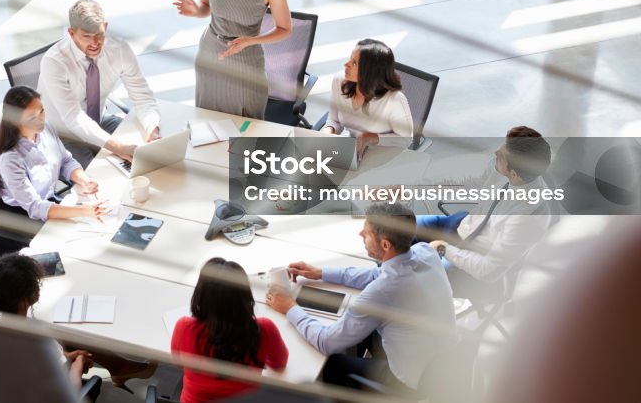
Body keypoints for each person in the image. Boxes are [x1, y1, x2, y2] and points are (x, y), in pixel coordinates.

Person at [266, 203, 455, 393]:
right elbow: (378, 275)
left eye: (367, 233)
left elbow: (326, 342)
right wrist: (320, 272)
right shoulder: (425, 252)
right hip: (443, 360)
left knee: (332, 364)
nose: (360, 234)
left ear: (385, 244)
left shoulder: (383, 291)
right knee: (359, 335)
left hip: (413, 381)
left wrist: (290, 307)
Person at [0, 253, 157, 393]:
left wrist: (66, 356)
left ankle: (119, 367)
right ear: (28, 298)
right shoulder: (39, 343)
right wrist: (78, 364)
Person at [417, 126, 553, 302]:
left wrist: (444, 249)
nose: (496, 152)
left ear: (513, 173)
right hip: (461, 225)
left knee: (408, 275)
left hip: (472, 262)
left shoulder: (529, 216)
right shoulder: (500, 169)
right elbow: (470, 185)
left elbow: (489, 271)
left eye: (502, 155)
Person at [0, 85, 108, 258]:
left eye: (42, 111)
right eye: (32, 117)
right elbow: (35, 207)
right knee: (77, 246)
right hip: (22, 220)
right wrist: (85, 211)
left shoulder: (45, 129)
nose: (40, 120)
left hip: (47, 203)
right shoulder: (10, 158)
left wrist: (83, 179)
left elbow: (66, 161)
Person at [39, 0, 160, 168]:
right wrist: (118, 147)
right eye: (86, 37)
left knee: (148, 156)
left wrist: (152, 128)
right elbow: (73, 118)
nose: (94, 43)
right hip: (62, 135)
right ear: (72, 34)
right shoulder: (55, 62)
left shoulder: (120, 50)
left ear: (106, 26)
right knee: (102, 174)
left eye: (99, 34)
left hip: (99, 121)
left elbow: (143, 97)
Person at [171, 258, 288, 403]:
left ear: (201, 295)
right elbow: (279, 363)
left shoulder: (184, 327)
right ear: (245, 296)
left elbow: (179, 364)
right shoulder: (263, 329)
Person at [322, 38, 413, 157]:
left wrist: (372, 137)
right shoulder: (340, 81)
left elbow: (406, 139)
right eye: (350, 58)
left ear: (370, 72)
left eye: (354, 62)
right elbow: (334, 120)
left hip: (380, 155)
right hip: (348, 150)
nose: (346, 64)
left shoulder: (394, 100)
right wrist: (328, 132)